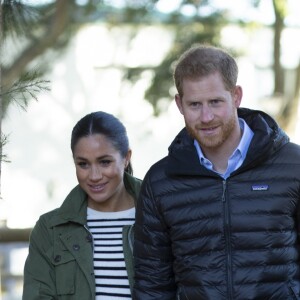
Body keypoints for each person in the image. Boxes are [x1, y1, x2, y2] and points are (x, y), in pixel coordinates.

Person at [133, 44, 300, 299]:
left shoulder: (293, 165)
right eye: (195, 105)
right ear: (179, 104)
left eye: (215, 102)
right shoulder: (160, 183)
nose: (206, 116)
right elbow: (152, 286)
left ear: (236, 96)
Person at [22, 111, 142, 300]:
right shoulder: (49, 230)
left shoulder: (160, 216)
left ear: (126, 158)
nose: (94, 176)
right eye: (83, 164)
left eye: (104, 162)